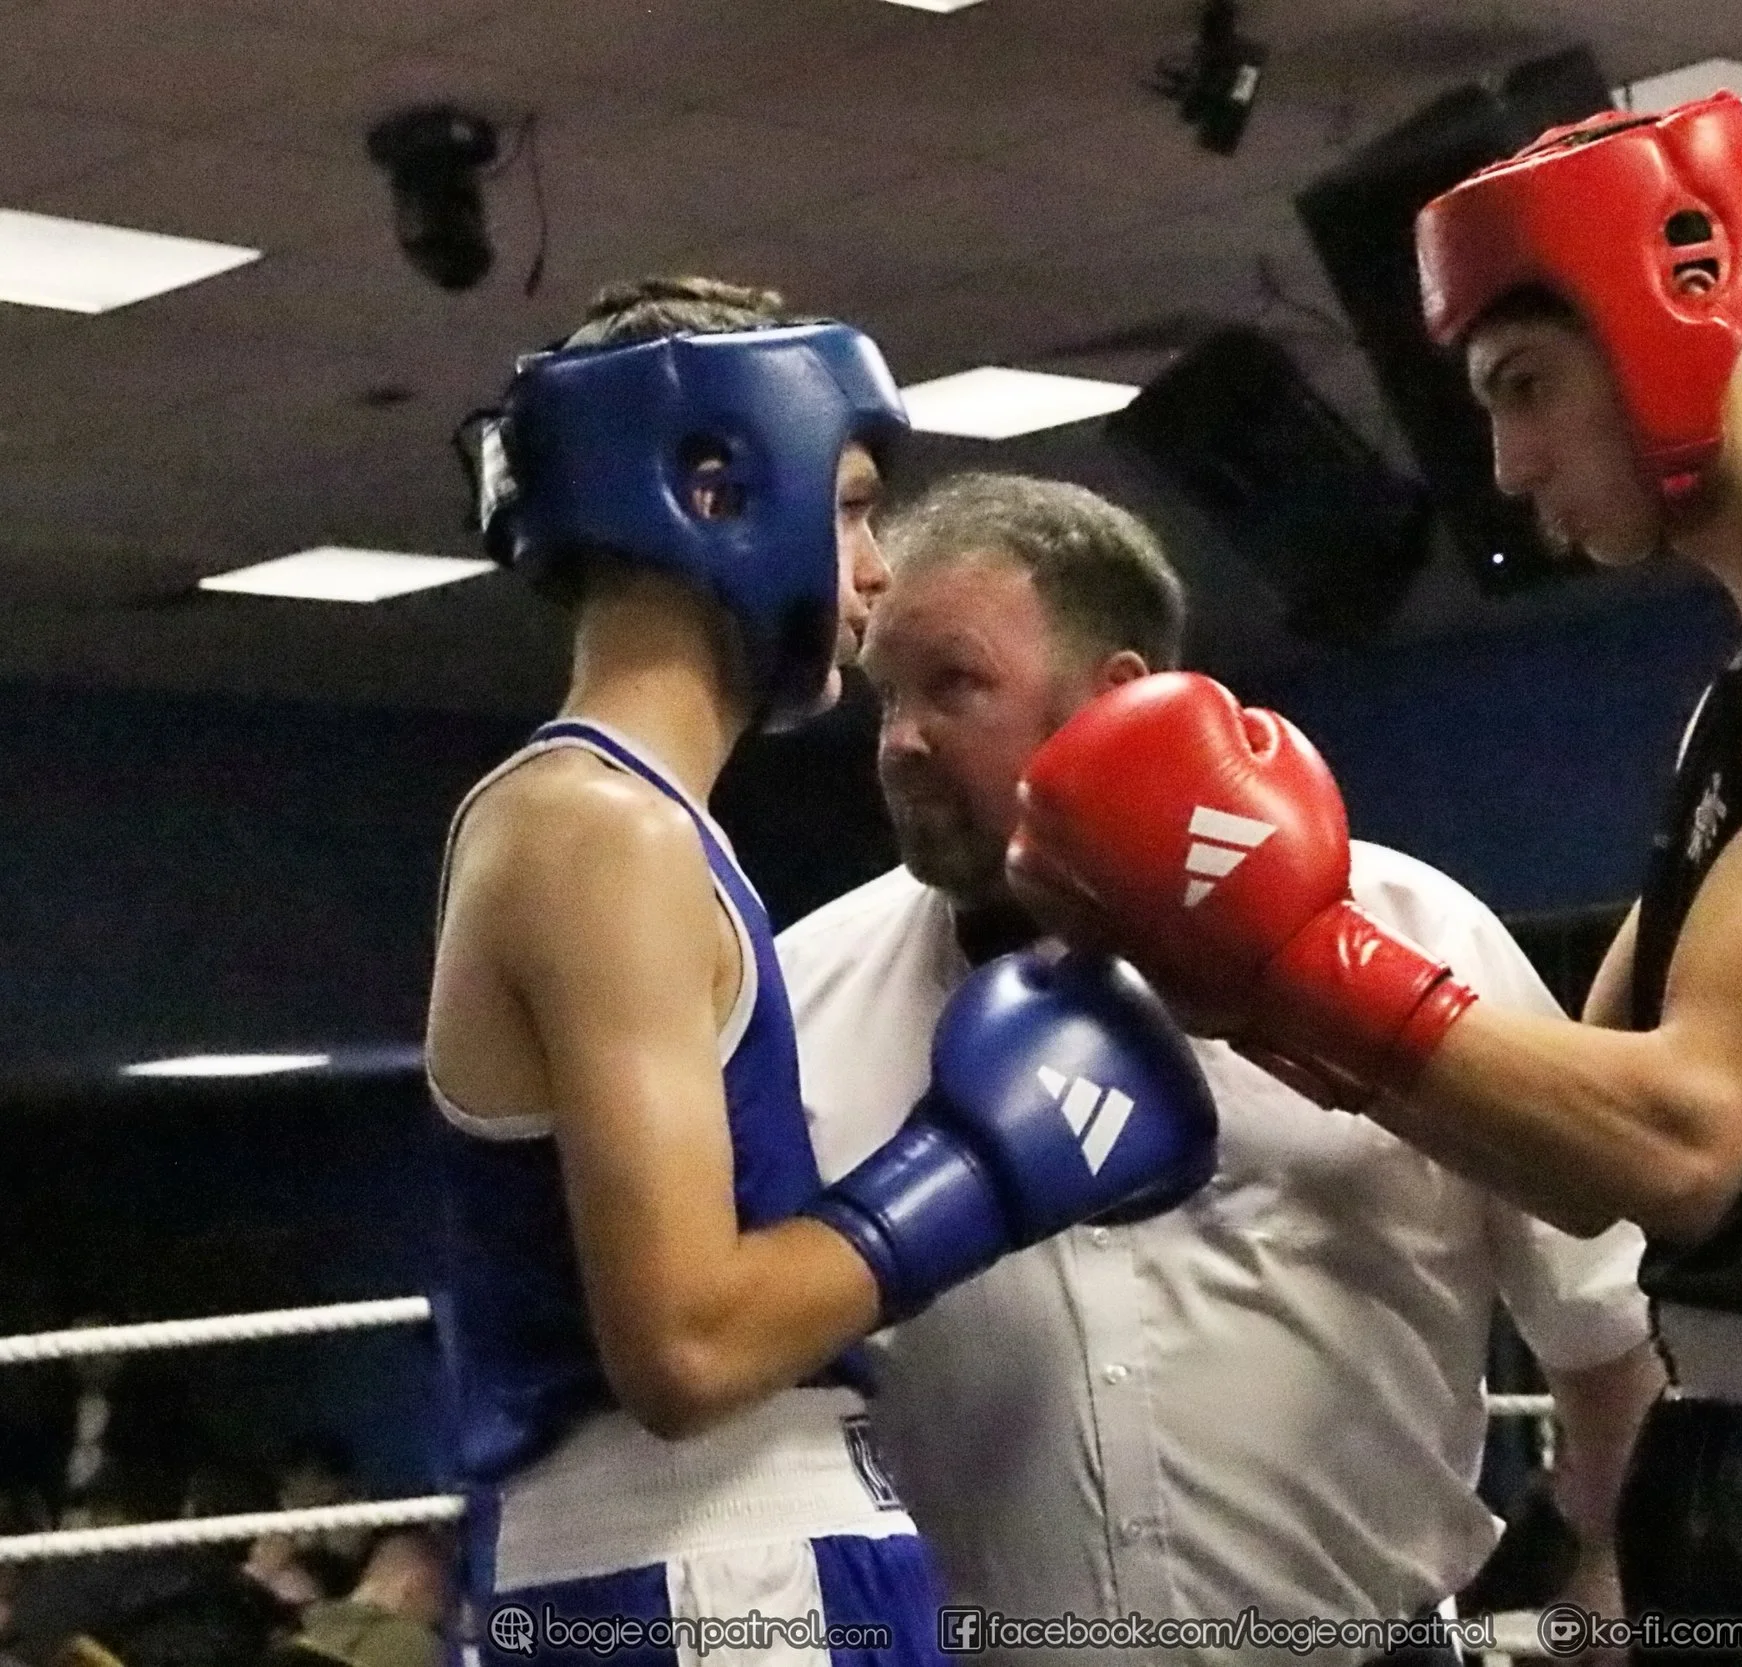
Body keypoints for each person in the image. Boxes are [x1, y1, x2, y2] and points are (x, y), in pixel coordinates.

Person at [1004, 92, 1742, 1664]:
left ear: (1677, 305)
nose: (1506, 465)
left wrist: (1296, 955)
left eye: (1525, 388)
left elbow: (1688, 1135)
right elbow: (1577, 1149)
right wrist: (1245, 986)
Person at [426, 278, 1219, 1663]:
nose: (872, 569)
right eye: (853, 505)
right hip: (701, 1574)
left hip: (733, 1561)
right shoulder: (597, 829)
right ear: (716, 487)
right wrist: (976, 1170)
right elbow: (684, 1347)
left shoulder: (629, 821)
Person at [778, 474, 1663, 1667]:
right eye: (888, 695)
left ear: (1119, 699)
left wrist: (1612, 1566)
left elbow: (1603, 1311)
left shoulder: (1405, 927)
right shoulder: (802, 998)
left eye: (955, 686)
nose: (900, 742)